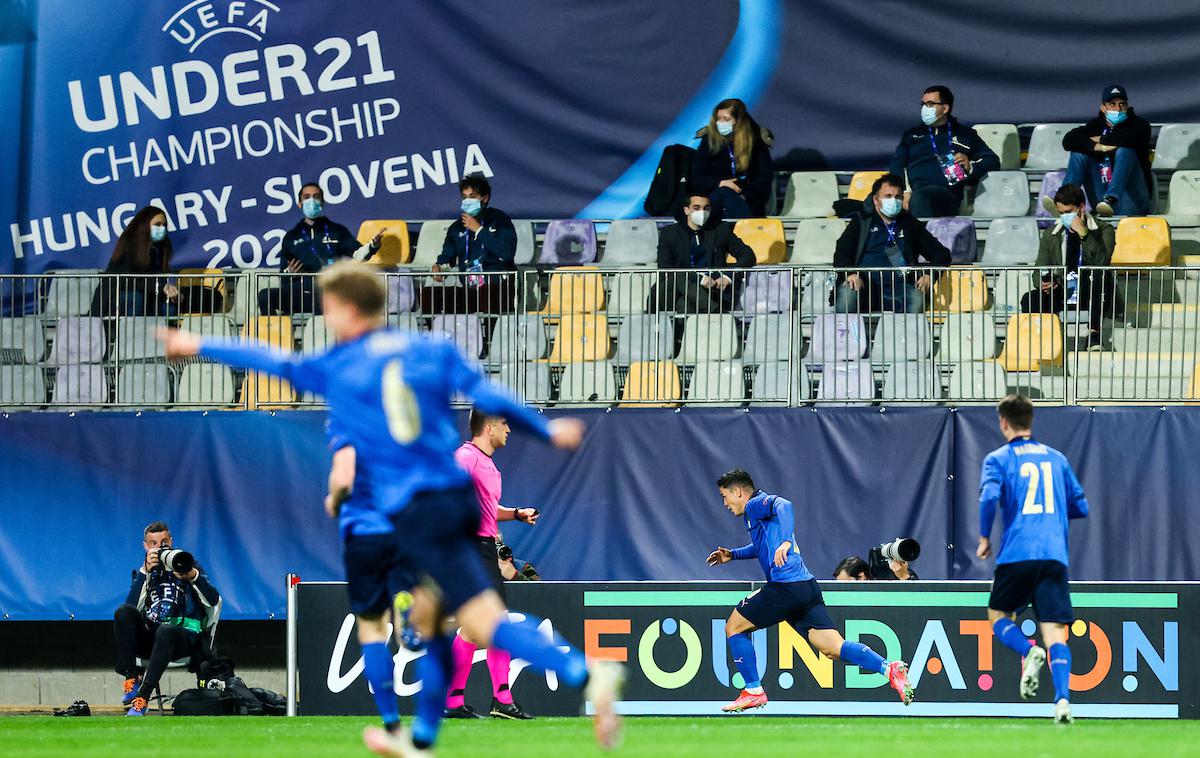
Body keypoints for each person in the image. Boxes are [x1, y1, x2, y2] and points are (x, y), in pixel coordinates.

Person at [158, 261, 624, 754]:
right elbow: (487, 395)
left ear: (345, 308)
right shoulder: (432, 347)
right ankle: (434, 734)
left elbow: (270, 358)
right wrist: (546, 431)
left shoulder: (339, 366)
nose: (325, 317)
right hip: (456, 501)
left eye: (327, 308)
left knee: (462, 623)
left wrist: (195, 343)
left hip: (414, 512)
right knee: (447, 620)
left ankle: (579, 673)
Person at [706, 469, 914, 713]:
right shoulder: (757, 516)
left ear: (738, 491)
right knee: (832, 648)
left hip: (785, 587)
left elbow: (784, 505)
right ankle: (889, 668)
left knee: (733, 627)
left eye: (724, 496)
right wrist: (733, 554)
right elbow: (762, 546)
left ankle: (753, 690)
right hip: (806, 588)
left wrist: (785, 540)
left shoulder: (753, 505)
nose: (724, 503)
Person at [977, 395, 1090, 724]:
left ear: (1003, 422)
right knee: (1055, 631)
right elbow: (1081, 507)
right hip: (1054, 555)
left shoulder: (998, 459)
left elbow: (989, 497)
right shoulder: (1057, 459)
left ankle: (1029, 652)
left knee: (998, 614)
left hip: (1018, 553)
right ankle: (1063, 702)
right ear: (1031, 420)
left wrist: (985, 537)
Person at [324, 420, 423, 737]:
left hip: (364, 536)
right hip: (401, 531)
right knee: (406, 598)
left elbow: (342, 480)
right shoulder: (401, 424)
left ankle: (392, 721)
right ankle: (404, 606)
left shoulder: (347, 425)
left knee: (371, 629)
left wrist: (334, 501)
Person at [444, 411, 539, 721]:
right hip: (470, 548)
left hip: (481, 548)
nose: (509, 430)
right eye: (505, 424)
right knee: (498, 623)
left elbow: (485, 508)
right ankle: (502, 699)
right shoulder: (466, 457)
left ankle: (454, 702)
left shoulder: (487, 464)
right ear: (489, 427)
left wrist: (515, 514)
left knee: (473, 630)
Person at [114, 521, 220, 717]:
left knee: (167, 630)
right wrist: (145, 572)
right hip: (153, 639)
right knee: (123, 612)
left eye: (164, 542)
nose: (160, 547)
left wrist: (193, 576)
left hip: (183, 639)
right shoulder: (144, 572)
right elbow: (131, 607)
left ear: (171, 541)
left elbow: (214, 601)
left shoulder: (188, 564)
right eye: (154, 543)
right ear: (146, 547)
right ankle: (131, 678)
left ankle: (142, 698)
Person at [258, 182, 383, 316]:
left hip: (326, 292)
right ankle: (273, 333)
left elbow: (358, 254)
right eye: (306, 197)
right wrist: (290, 272)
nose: (311, 200)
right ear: (299, 204)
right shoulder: (291, 237)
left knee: (331, 298)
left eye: (316, 196)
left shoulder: (337, 231)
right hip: (297, 293)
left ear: (322, 202)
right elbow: (283, 273)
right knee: (265, 295)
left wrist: (372, 245)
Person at [833, 173, 951, 314]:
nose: (893, 201)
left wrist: (929, 275)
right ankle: (843, 335)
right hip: (864, 285)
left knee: (916, 297)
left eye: (897, 197)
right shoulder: (861, 221)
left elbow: (941, 253)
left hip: (900, 287)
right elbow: (842, 251)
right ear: (876, 200)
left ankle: (910, 336)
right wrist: (850, 274)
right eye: (888, 196)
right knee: (848, 294)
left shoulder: (910, 223)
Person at [1022, 183, 1118, 351]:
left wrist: (1084, 234)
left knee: (1098, 276)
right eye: (1061, 213)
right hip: (1063, 288)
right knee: (1031, 298)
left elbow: (1102, 262)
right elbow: (1039, 267)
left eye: (1068, 213)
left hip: (1092, 289)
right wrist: (1043, 282)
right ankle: (1042, 341)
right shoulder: (1053, 233)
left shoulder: (1104, 229)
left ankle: (1094, 336)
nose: (1064, 217)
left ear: (1081, 208)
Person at [889, 85, 1000, 218]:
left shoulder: (965, 134)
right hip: (913, 193)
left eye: (930, 104)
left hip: (947, 194)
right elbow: (897, 164)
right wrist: (901, 192)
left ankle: (919, 237)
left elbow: (992, 160)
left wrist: (971, 167)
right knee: (873, 202)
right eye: (923, 104)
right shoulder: (912, 135)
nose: (925, 109)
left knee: (923, 197)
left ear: (945, 108)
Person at [1053, 85, 1152, 217]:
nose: (1118, 109)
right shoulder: (1096, 125)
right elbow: (1069, 140)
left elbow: (1129, 138)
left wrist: (1101, 140)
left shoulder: (1140, 125)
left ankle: (1112, 198)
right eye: (1112, 104)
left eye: (1122, 104)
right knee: (1079, 152)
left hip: (1132, 198)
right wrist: (1096, 146)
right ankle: (1065, 200)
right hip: (1101, 196)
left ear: (1127, 106)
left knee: (1125, 150)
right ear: (1103, 108)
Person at [425, 174, 517, 315]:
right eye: (464, 197)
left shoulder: (500, 220)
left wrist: (479, 230)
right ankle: (440, 335)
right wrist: (438, 267)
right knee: (430, 296)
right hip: (470, 288)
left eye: (472, 196)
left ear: (485, 198)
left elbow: (507, 252)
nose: (467, 201)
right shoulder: (457, 227)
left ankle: (491, 336)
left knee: (488, 293)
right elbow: (446, 258)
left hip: (498, 287)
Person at [654, 193, 756, 314]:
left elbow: (748, 255)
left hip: (711, 291)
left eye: (706, 208)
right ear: (686, 210)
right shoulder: (670, 233)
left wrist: (728, 276)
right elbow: (665, 268)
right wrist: (699, 279)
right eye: (696, 208)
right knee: (679, 275)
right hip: (674, 292)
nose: (702, 212)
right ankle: (716, 311)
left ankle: (704, 315)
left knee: (686, 305)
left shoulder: (720, 229)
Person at [688, 98, 774, 218]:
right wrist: (720, 183)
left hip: (749, 197)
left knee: (731, 198)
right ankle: (745, 229)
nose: (721, 122)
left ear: (739, 121)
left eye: (726, 119)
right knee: (724, 192)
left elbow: (764, 177)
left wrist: (743, 194)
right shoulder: (709, 140)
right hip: (715, 195)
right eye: (718, 119)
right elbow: (697, 177)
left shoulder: (756, 141)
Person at [90, 206, 179, 318]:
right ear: (145, 225)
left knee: (169, 305)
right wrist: (159, 287)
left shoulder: (162, 247)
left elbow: (157, 279)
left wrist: (172, 293)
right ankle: (129, 334)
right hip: (115, 297)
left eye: (164, 225)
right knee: (135, 298)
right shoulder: (129, 243)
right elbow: (127, 280)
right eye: (157, 224)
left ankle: (163, 334)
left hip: (146, 296)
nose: (162, 228)